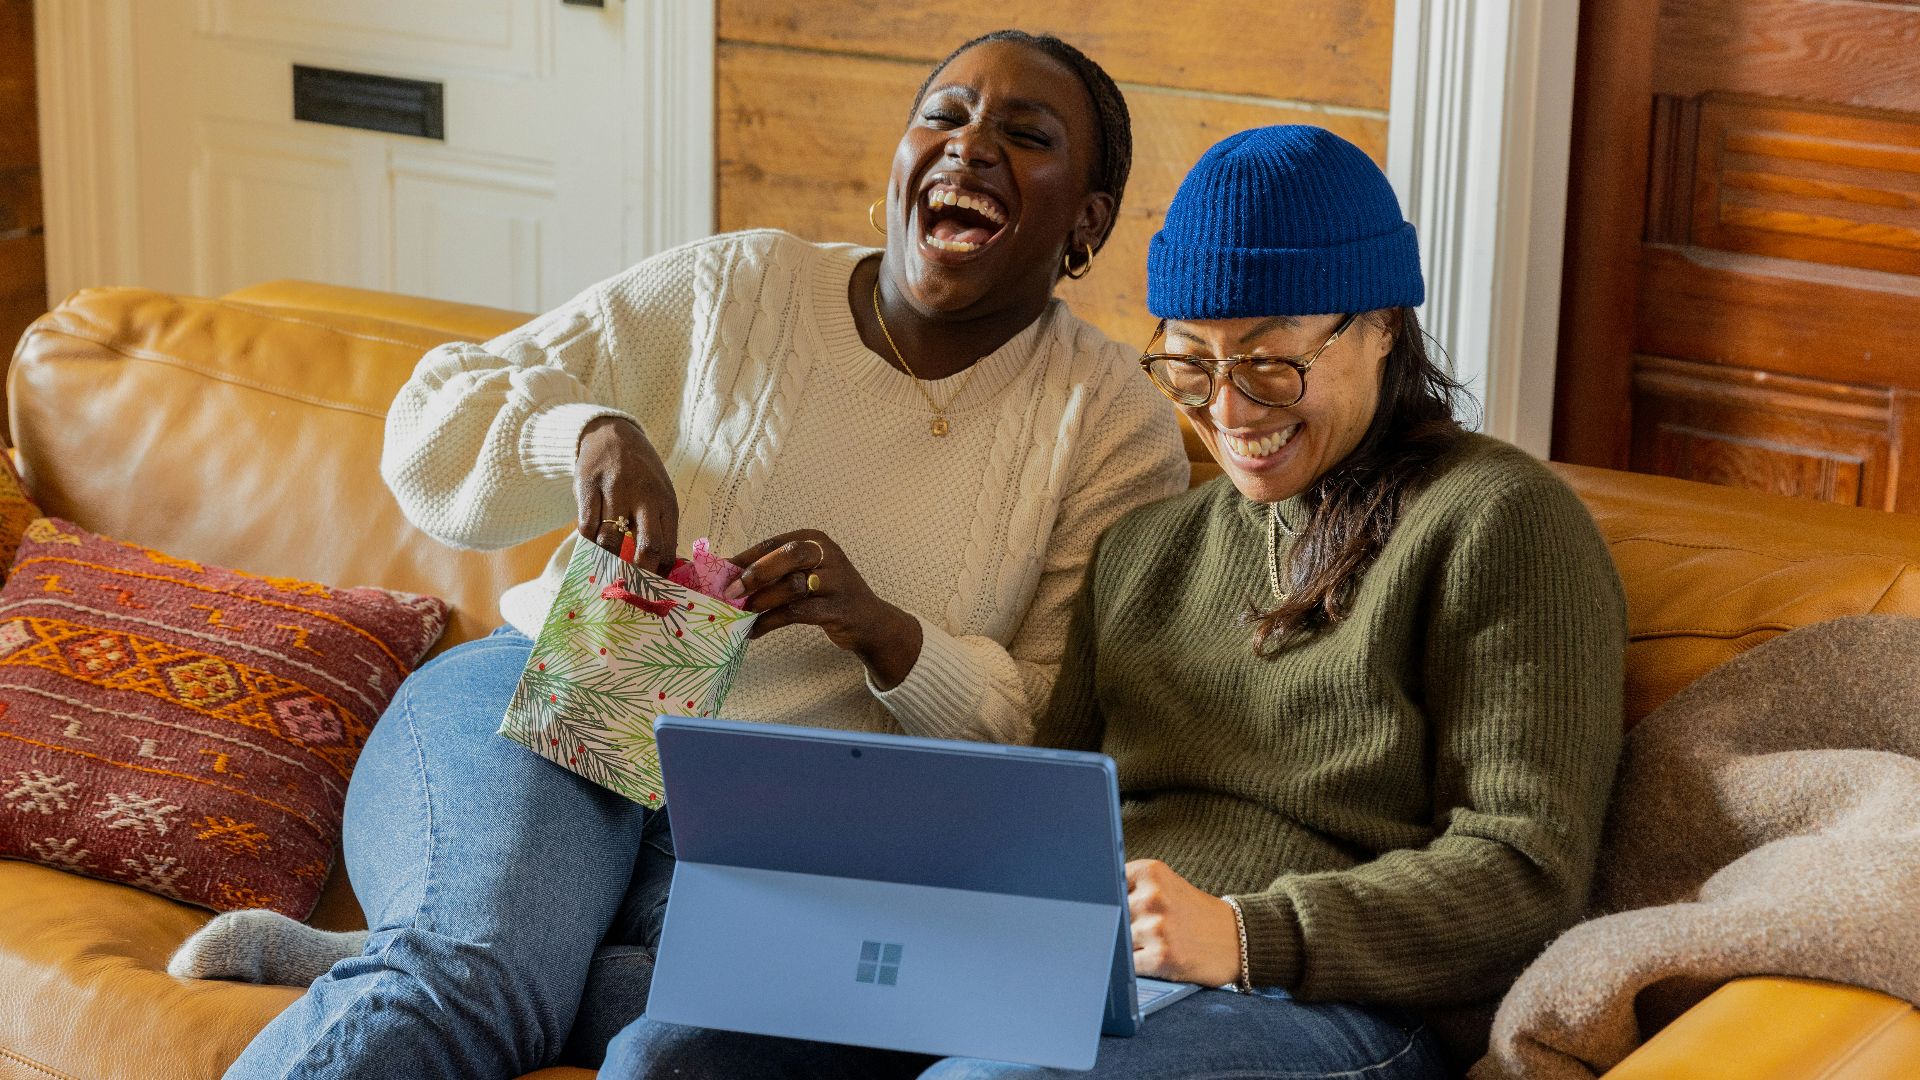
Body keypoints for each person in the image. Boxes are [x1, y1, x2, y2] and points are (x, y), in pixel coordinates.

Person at [182, 29, 1190, 1080]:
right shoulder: (739, 288)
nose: (970, 147)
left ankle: (432, 949)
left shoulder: (1111, 422)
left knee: (683, 1026)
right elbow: (431, 421)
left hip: (784, 824)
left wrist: (891, 640)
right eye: (942, 116)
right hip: (567, 694)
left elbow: (1055, 727)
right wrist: (584, 433)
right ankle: (448, 956)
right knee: (469, 985)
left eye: (1024, 136)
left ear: (1088, 218)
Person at [602, 126, 1627, 1079]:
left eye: (1269, 366)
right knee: (670, 1051)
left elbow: (1526, 869)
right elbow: (1043, 806)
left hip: (1329, 997)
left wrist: (1248, 933)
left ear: (1382, 327)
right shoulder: (1146, 548)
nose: (1227, 415)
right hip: (1078, 965)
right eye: (1190, 365)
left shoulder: (1498, 520)